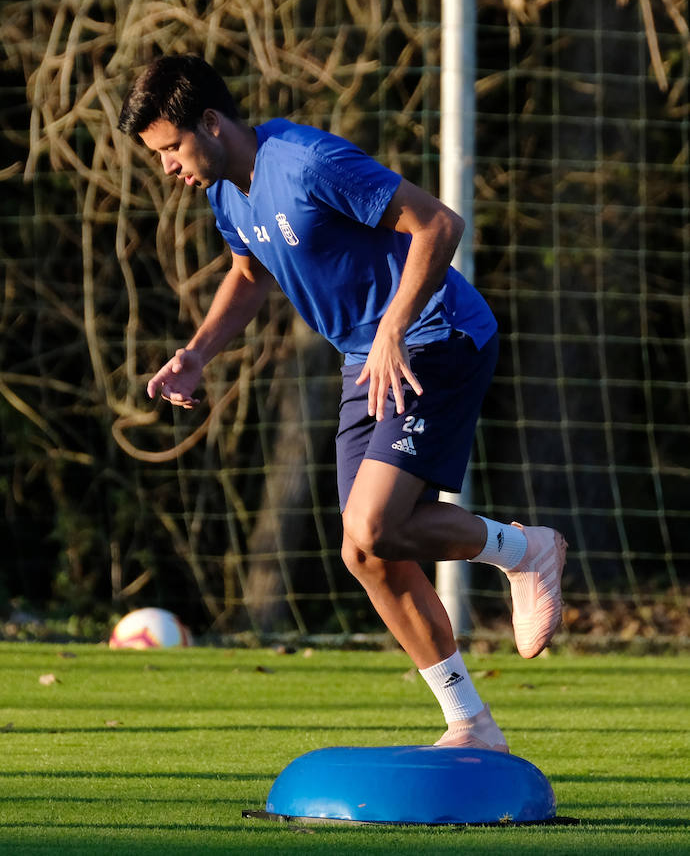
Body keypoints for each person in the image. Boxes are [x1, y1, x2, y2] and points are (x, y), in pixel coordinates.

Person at [118, 54, 567, 752]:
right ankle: (471, 725)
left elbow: (438, 224)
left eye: (172, 148)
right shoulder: (226, 193)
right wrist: (197, 353)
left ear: (210, 121)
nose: (169, 167)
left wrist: (393, 325)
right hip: (370, 358)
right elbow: (248, 273)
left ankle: (526, 551)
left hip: (437, 335)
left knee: (375, 522)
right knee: (364, 551)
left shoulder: (307, 161)